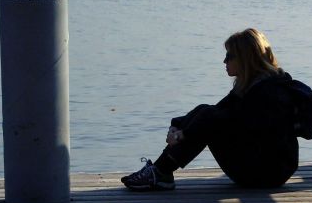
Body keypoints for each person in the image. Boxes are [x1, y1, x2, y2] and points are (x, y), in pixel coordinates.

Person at [121, 28, 299, 191]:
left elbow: (235, 121)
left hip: (268, 173)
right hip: (261, 165)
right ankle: (160, 171)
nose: (224, 61)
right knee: (206, 110)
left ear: (245, 58)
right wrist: (176, 126)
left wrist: (184, 134)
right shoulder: (252, 85)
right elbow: (217, 110)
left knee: (211, 117)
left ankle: (160, 172)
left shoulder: (269, 92)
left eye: (229, 56)